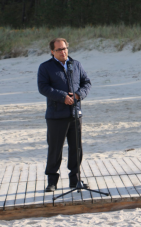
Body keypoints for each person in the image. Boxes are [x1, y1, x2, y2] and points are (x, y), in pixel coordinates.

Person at [38, 38, 91, 192]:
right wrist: (63, 97)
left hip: (75, 114)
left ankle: (75, 180)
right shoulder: (45, 67)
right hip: (56, 115)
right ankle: (52, 181)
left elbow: (86, 83)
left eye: (65, 48)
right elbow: (43, 88)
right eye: (59, 49)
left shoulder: (76, 65)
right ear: (52, 52)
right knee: (55, 149)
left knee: (77, 148)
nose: (63, 52)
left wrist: (78, 95)